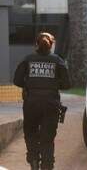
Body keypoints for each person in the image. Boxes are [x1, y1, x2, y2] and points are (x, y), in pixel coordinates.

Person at [13, 32, 71, 170]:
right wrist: (53, 84)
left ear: (36, 45)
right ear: (51, 45)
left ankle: (33, 161)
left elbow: (17, 80)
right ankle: (47, 166)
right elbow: (67, 84)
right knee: (47, 138)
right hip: (51, 104)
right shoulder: (58, 61)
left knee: (31, 133)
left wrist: (30, 85)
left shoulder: (27, 59)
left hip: (31, 103)